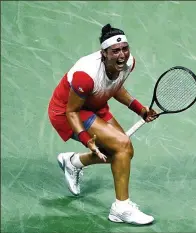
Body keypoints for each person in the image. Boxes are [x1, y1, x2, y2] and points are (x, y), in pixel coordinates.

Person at [48, 23, 157, 225]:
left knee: (123, 152)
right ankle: (121, 208)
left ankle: (73, 162)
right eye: (115, 51)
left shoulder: (128, 64)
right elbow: (72, 111)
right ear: (104, 53)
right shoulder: (86, 75)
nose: (122, 55)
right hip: (67, 111)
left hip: (94, 104)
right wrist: (86, 139)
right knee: (121, 146)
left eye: (125, 48)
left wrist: (140, 109)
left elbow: (115, 87)